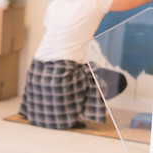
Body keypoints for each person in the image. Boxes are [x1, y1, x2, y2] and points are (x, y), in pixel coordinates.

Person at [19, 0, 151, 130]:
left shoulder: (54, 4)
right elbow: (131, 2)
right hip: (61, 76)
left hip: (36, 75)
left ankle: (65, 109)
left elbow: (48, 33)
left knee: (89, 68)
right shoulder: (93, 2)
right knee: (118, 81)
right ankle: (71, 110)